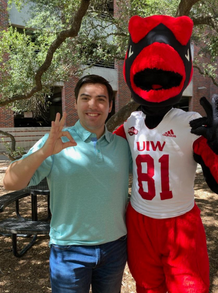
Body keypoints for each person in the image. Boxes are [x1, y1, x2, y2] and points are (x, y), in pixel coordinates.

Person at [114, 15, 218, 293]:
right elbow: (99, 154)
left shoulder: (191, 123)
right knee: (147, 287)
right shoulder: (130, 125)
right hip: (140, 222)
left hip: (181, 224)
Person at [3, 74, 132, 293]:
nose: (93, 105)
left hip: (114, 247)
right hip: (68, 250)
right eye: (85, 98)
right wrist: (44, 152)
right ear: (75, 103)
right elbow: (10, 182)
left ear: (110, 106)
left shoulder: (122, 146)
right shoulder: (56, 140)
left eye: (101, 99)